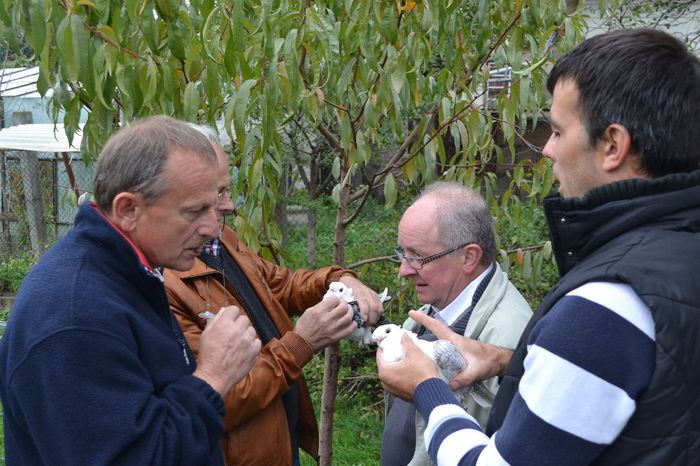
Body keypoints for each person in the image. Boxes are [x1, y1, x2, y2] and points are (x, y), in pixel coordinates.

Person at [377, 27, 700, 465]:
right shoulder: (679, 254)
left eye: (558, 131)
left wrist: (427, 388)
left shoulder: (609, 302)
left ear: (612, 145)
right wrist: (501, 360)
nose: (546, 149)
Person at [0, 115, 262, 465]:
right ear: (128, 209)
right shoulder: (75, 318)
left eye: (214, 206)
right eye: (194, 211)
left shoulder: (128, 275)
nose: (213, 229)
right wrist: (212, 377)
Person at [163, 126, 385, 465]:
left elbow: (281, 285)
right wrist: (302, 343)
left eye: (227, 190)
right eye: (217, 192)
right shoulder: (166, 285)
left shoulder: (221, 242)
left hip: (277, 442)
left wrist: (339, 279)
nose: (229, 205)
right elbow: (222, 398)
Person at [381, 182, 532, 466]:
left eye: (418, 257)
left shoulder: (507, 335)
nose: (403, 270)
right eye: (402, 253)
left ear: (469, 257)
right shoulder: (434, 309)